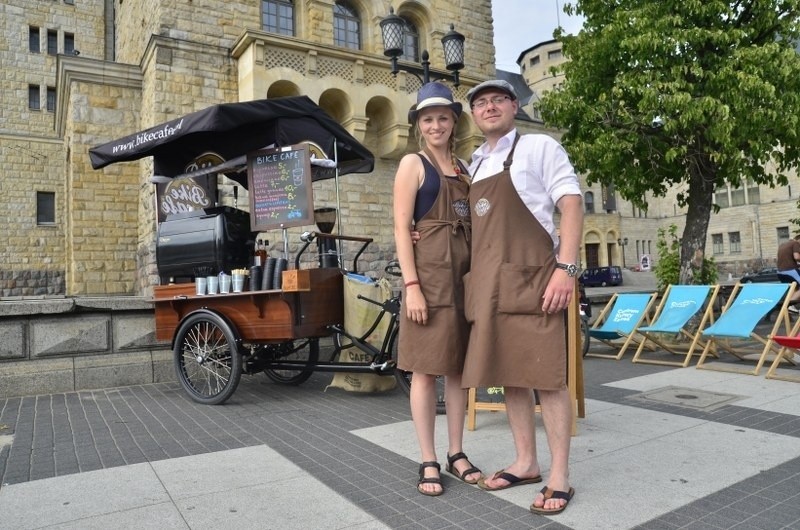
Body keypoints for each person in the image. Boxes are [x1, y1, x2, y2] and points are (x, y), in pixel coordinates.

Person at [461, 80, 584, 515]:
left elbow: (571, 204)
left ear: (514, 105)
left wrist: (566, 270)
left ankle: (559, 477)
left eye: (497, 100)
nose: (489, 107)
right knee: (511, 374)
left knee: (547, 378)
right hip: (491, 286)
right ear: (473, 115)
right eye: (480, 103)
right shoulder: (474, 164)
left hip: (536, 280)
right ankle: (526, 462)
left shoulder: (538, 148)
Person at [393, 82, 481, 496]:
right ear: (418, 125)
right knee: (425, 371)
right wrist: (411, 286)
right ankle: (429, 458)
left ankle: (457, 452)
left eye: (443, 117)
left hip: (464, 281)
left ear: (454, 121)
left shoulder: (465, 169)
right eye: (427, 119)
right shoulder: (413, 164)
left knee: (459, 372)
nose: (436, 125)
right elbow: (400, 226)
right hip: (427, 281)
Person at [776, 234, 800, 309]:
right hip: (790, 271)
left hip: (780, 273)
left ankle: (790, 308)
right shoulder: (795, 243)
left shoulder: (782, 245)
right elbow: (797, 257)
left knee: (794, 289)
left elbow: (785, 260)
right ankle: (789, 305)